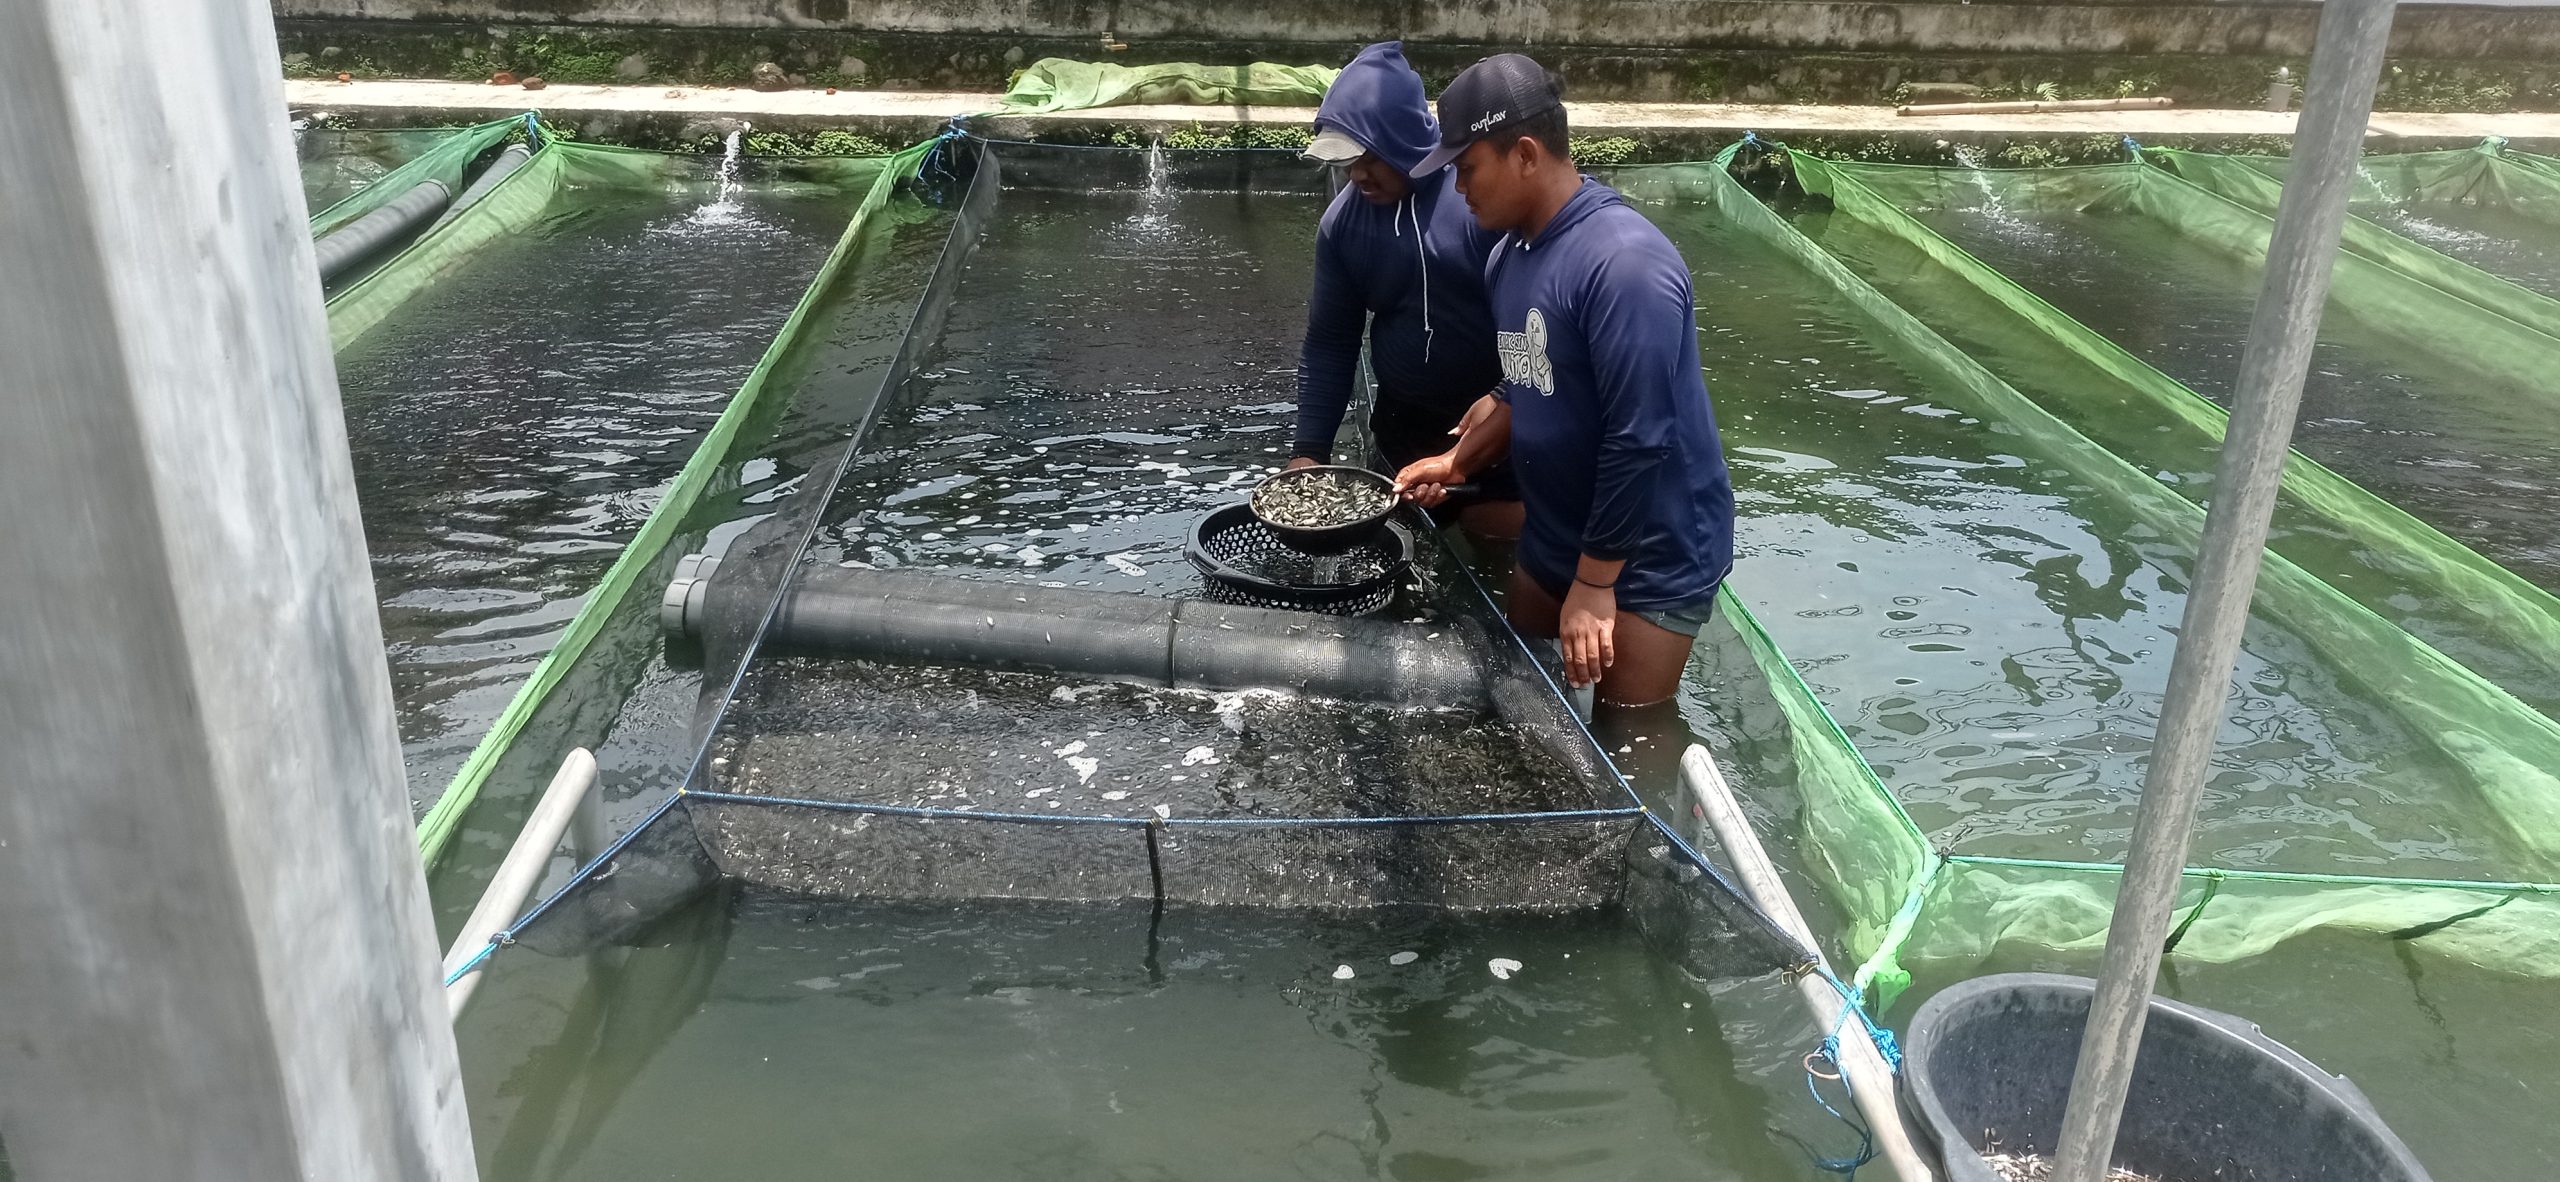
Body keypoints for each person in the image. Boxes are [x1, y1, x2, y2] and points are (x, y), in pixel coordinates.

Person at [1393, 54, 1734, 707]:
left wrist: (1597, 582)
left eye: (1467, 169)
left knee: (1624, 734)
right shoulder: (1507, 254)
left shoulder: (1624, 264)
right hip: (1556, 534)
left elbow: (1640, 437)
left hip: (1647, 559)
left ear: (1524, 154)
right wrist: (1456, 459)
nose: (1459, 188)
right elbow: (1530, 381)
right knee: (1515, 696)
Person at [1291, 42, 1520, 536]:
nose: (1357, 176)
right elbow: (1331, 342)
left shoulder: (1480, 202)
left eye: (1368, 159)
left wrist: (1502, 403)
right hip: (1406, 426)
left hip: (1502, 420)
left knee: (1496, 538)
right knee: (1410, 547)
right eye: (1345, 163)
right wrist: (1309, 453)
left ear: (1401, 141)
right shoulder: (1343, 226)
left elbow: (1542, 322)